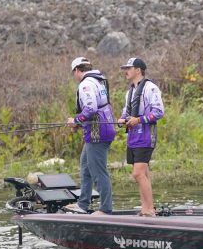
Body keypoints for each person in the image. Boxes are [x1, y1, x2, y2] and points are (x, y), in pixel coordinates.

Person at [64, 56, 116, 214]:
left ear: (77, 70)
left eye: (73, 73)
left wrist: (75, 121)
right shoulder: (99, 81)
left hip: (97, 133)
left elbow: (91, 108)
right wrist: (80, 124)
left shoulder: (86, 84)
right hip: (101, 129)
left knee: (98, 171)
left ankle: (105, 209)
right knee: (85, 167)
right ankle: (83, 204)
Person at [118, 57, 164, 216]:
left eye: (128, 68)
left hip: (146, 135)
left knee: (138, 173)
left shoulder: (151, 88)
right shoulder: (129, 92)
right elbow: (126, 113)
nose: (126, 71)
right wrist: (122, 120)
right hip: (133, 137)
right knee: (143, 174)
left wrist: (138, 120)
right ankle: (146, 208)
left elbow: (159, 112)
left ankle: (149, 210)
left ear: (138, 70)